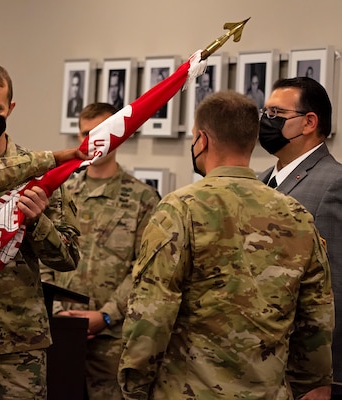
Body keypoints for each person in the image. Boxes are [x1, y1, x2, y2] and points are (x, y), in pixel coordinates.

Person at [118, 90, 334, 399]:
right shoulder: (297, 215)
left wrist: (134, 388)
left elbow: (151, 315)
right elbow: (316, 319)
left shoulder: (180, 210)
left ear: (202, 139)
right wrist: (304, 384)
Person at [0, 62, 81, 400]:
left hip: (19, 341)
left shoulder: (41, 175)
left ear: (10, 109)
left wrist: (37, 221)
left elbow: (69, 257)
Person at [49, 102, 160, 399]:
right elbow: (43, 256)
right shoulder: (62, 193)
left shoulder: (143, 198)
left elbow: (144, 267)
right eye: (86, 134)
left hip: (113, 339)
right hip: (58, 333)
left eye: (101, 133)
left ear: (118, 136)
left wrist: (107, 315)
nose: (93, 141)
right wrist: (58, 313)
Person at [257, 76, 342, 399]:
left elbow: (335, 287)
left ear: (309, 122)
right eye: (265, 113)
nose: (266, 122)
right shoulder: (263, 179)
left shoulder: (334, 183)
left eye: (276, 114)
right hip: (265, 363)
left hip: (307, 374)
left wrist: (323, 375)